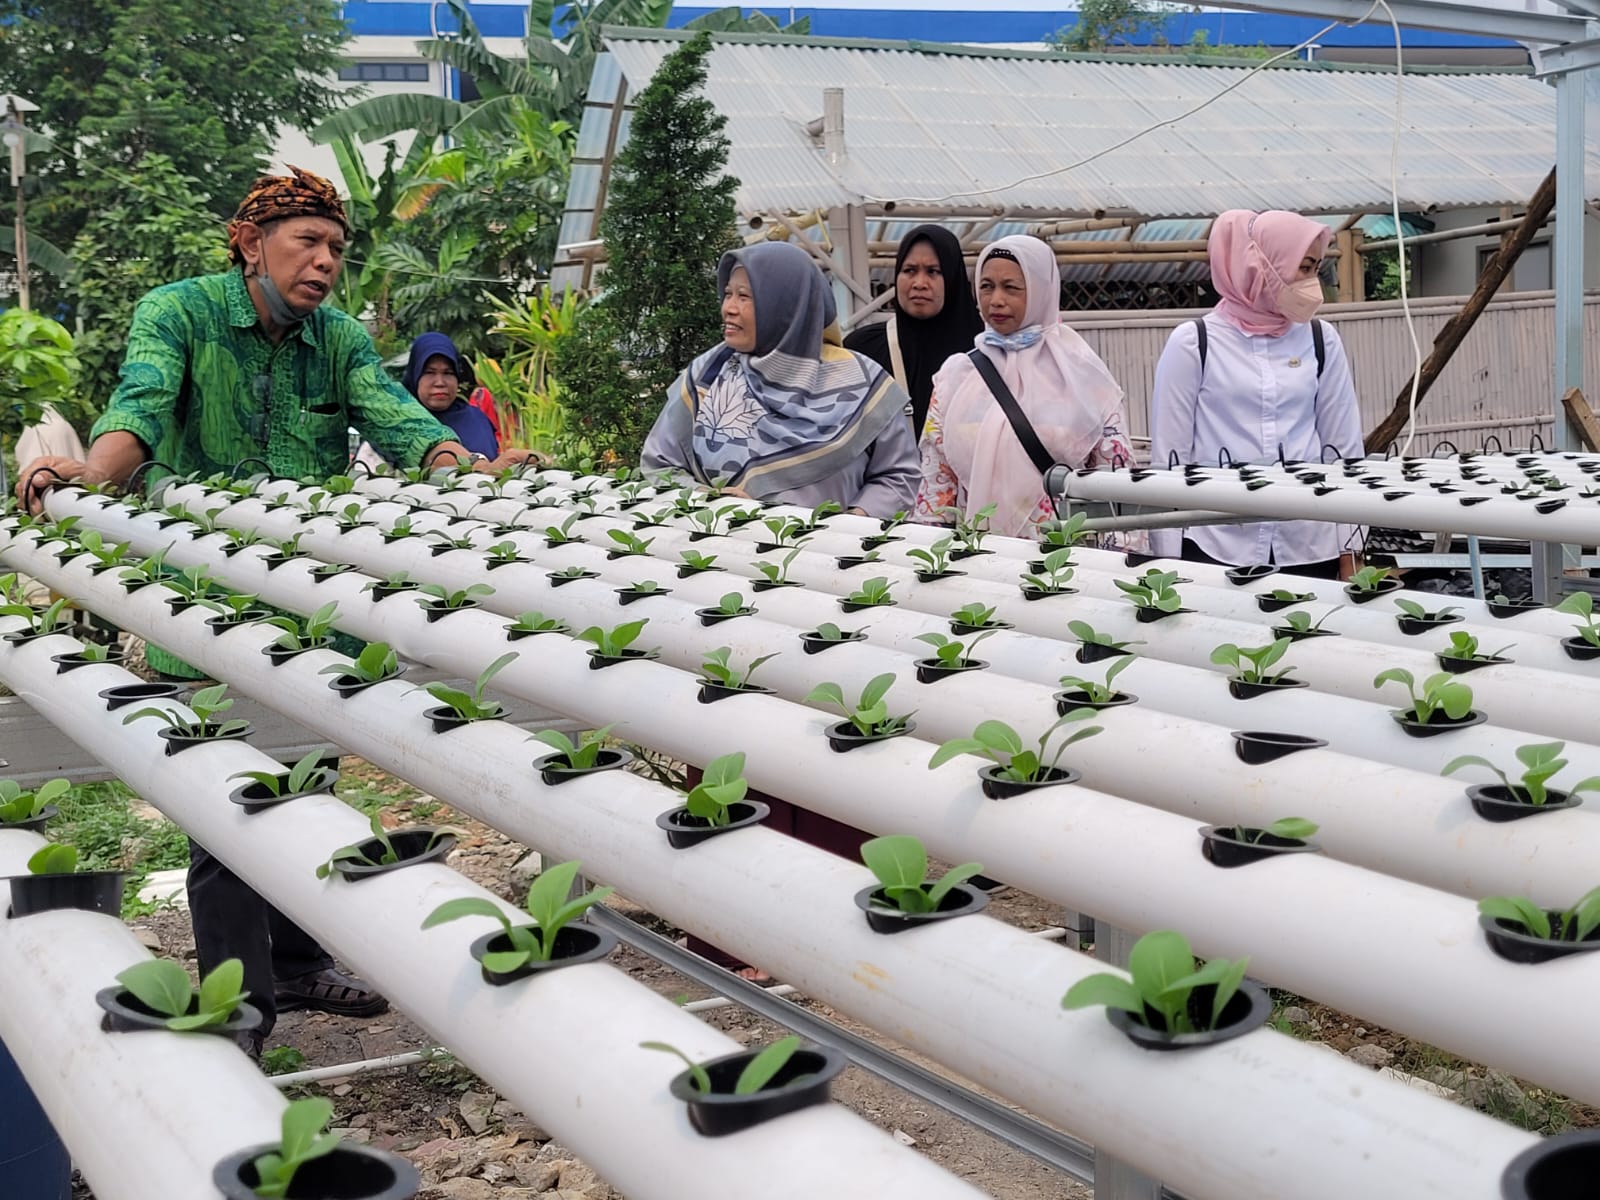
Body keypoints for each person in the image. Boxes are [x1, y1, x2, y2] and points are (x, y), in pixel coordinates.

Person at [12, 166, 528, 1054]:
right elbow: (140, 404)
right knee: (223, 806)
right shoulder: (180, 314)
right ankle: (239, 1008)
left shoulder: (338, 339)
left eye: (337, 248)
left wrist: (456, 462)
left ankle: (296, 960)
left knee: (308, 789)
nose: (325, 261)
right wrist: (91, 473)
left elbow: (396, 418)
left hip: (305, 607)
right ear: (252, 244)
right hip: (198, 605)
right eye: (308, 242)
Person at [1148, 210, 1363, 578]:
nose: (1312, 282)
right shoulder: (1195, 342)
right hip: (1217, 540)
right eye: (1303, 267)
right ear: (1260, 265)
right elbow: (1170, 457)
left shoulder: (1321, 339)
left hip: (1309, 541)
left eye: (1316, 268)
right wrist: (1168, 562)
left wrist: (1351, 548)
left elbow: (1343, 448)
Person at [640, 239, 919, 518]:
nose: (729, 308)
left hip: (832, 544)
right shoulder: (708, 375)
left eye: (744, 296)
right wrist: (711, 503)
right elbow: (660, 465)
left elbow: (898, 475)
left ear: (787, 306)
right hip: (720, 542)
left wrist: (849, 523)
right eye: (728, 294)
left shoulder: (862, 382)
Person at [915, 234, 1140, 541]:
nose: (996, 300)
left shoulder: (1083, 376)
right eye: (987, 286)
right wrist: (931, 553)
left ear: (1040, 291)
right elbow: (936, 485)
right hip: (978, 554)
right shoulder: (956, 377)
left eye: (1011, 288)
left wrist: (1118, 560)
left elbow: (1115, 483)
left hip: (1061, 557)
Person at [843, 224, 983, 439]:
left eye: (933, 272)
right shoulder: (862, 350)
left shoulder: (985, 350)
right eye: (909, 270)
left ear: (953, 279)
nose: (919, 283)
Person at [401, 332, 500, 459]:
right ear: (415, 376)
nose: (440, 383)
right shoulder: (398, 424)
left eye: (448, 373)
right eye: (430, 372)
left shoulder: (476, 419)